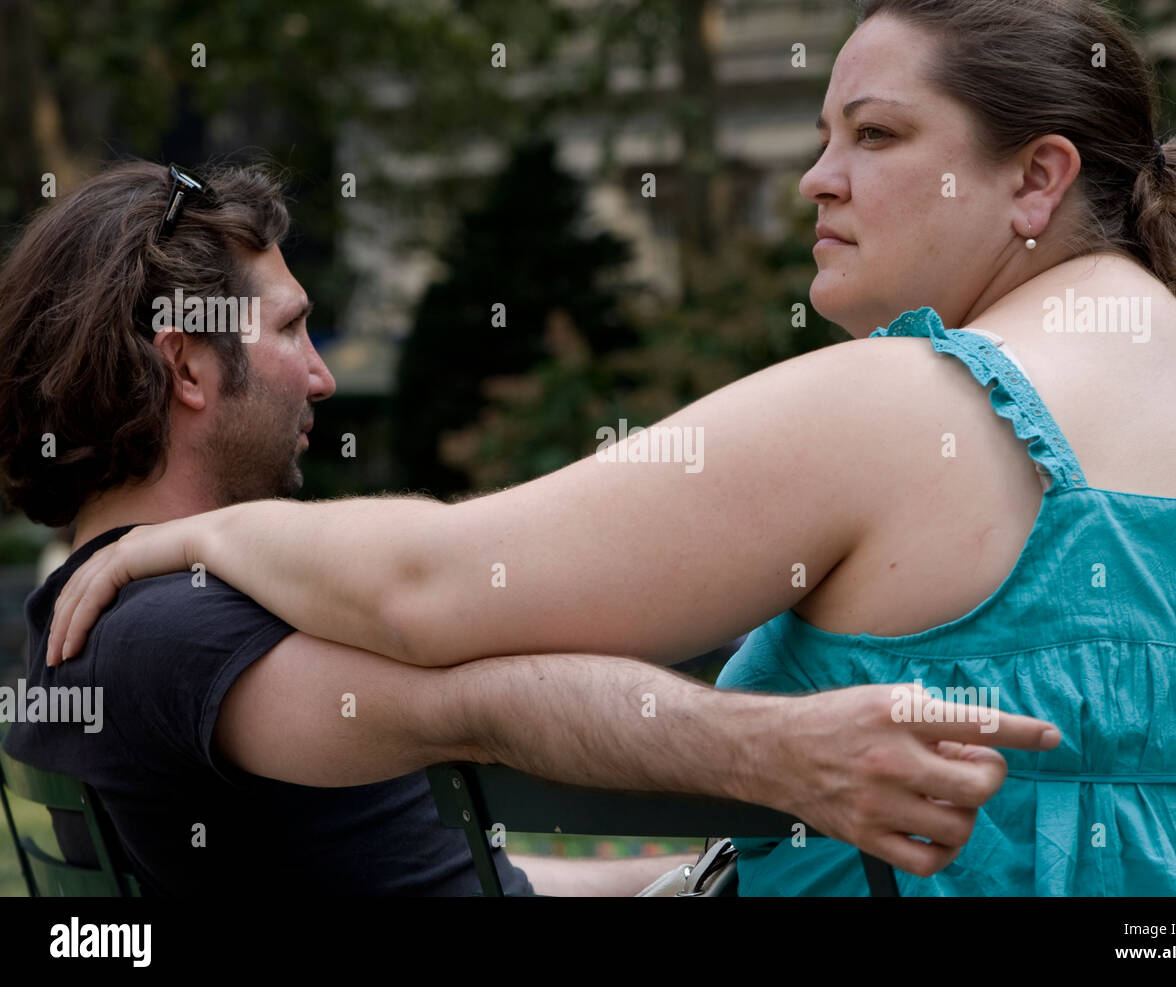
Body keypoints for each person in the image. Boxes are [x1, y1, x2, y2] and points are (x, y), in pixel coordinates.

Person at [47, 0, 1176, 896]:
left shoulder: (905, 406)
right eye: (821, 133)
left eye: (873, 135)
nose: (815, 178)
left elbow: (432, 589)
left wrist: (205, 533)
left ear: (1034, 181)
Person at [0, 160, 1055, 896]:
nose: (322, 374)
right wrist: (781, 752)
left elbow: (445, 874)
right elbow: (484, 710)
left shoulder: (100, 617)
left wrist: (696, 875)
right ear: (186, 362)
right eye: (291, 330)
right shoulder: (176, 635)